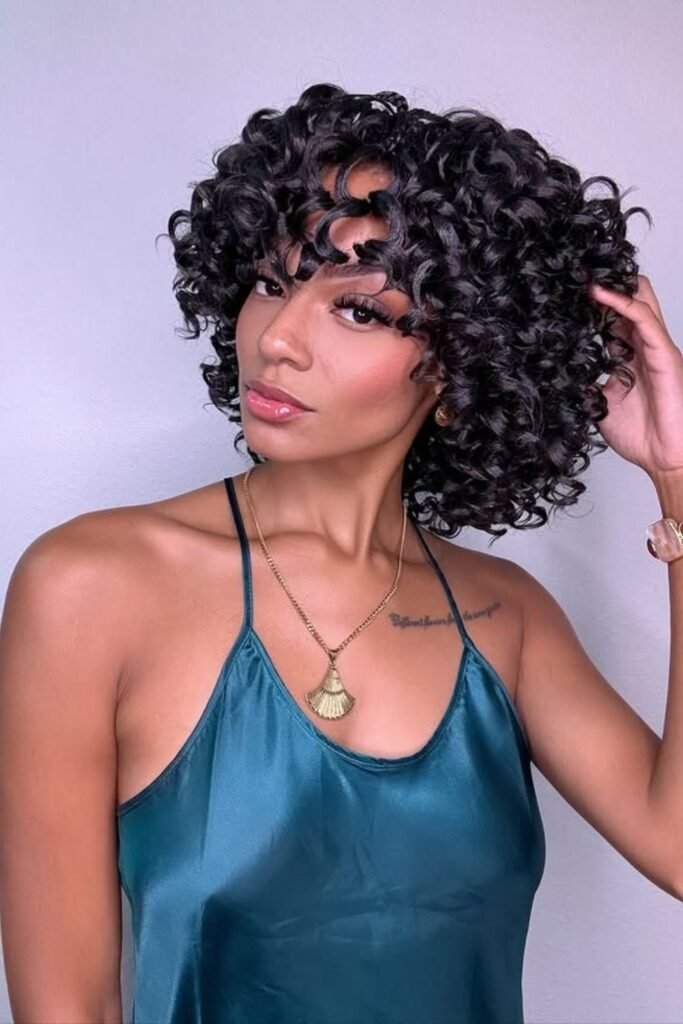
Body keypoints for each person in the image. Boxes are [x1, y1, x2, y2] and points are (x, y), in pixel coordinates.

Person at [1, 82, 682, 1024]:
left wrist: (676, 478)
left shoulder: (506, 616)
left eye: (357, 310)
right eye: (271, 283)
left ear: (462, 359)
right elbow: (65, 1005)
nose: (277, 339)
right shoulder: (90, 587)